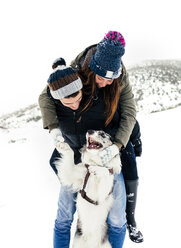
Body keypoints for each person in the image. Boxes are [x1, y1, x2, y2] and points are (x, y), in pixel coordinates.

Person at [39, 31, 143, 246]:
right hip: (79, 139)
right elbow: (47, 95)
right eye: (100, 78)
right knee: (63, 188)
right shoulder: (76, 73)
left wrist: (117, 145)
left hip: (109, 136)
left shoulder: (119, 78)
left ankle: (130, 216)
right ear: (91, 69)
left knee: (129, 169)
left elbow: (130, 112)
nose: (105, 83)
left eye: (109, 79)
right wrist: (55, 130)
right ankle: (85, 208)